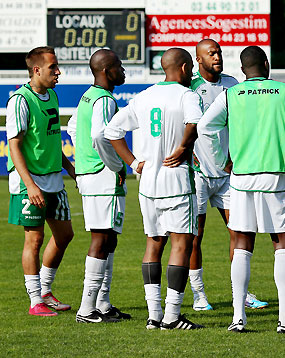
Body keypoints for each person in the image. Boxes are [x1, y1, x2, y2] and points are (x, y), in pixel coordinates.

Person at [198, 46, 285, 334]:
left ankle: (238, 318)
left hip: (240, 178)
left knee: (242, 242)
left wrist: (221, 159)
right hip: (276, 176)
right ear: (266, 64)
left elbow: (204, 127)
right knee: (282, 242)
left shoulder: (231, 93)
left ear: (242, 70)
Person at [105, 48, 203, 330]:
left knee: (154, 244)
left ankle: (153, 316)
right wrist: (184, 147)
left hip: (148, 185)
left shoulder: (144, 97)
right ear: (184, 69)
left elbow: (112, 131)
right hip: (176, 182)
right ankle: (172, 316)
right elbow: (195, 122)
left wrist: (134, 162)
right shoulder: (187, 95)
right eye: (191, 69)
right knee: (182, 244)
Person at [188, 39, 267, 311]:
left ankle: (241, 293)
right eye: (210, 54)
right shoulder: (191, 88)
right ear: (198, 60)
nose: (216, 57)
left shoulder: (233, 85)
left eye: (218, 52)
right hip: (198, 174)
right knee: (194, 237)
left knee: (239, 231)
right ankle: (199, 295)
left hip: (228, 173)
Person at [7, 46, 76, 316]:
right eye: (53, 67)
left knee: (65, 234)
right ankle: (35, 300)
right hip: (29, 182)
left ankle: (45, 291)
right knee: (34, 240)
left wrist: (70, 168)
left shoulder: (52, 96)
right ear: (37, 70)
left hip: (53, 179)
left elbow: (50, 141)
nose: (58, 72)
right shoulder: (20, 100)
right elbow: (14, 146)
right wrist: (30, 184)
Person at [67, 49, 131, 323]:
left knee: (109, 237)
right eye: (119, 65)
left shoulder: (87, 96)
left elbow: (72, 127)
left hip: (90, 174)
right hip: (102, 176)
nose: (123, 70)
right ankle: (86, 308)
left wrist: (83, 158)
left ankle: (102, 304)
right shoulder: (103, 99)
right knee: (101, 238)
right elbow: (98, 135)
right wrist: (114, 165)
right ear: (106, 70)